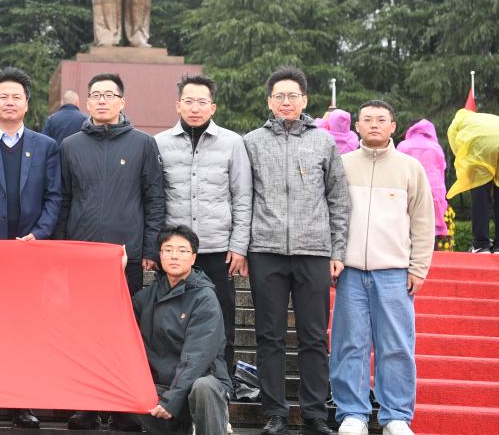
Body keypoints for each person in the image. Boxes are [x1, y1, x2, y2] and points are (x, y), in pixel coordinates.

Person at [242, 65, 350, 435]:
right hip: (265, 250)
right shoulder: (252, 142)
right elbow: (243, 197)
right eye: (279, 96)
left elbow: (338, 200)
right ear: (269, 101)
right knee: (269, 336)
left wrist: (337, 250)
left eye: (292, 96)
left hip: (313, 251)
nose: (285, 102)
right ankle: (274, 413)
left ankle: (315, 414)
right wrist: (242, 248)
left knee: (314, 336)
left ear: (304, 100)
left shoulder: (323, 142)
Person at [55, 72, 166, 431]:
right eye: (96, 95)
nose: (102, 100)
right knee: (83, 331)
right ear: (87, 102)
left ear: (122, 101)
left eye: (109, 95)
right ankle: (87, 403)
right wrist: (60, 247)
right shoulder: (70, 146)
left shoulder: (143, 144)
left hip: (125, 257)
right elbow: (64, 200)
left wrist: (150, 247)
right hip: (81, 257)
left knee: (125, 333)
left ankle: (123, 405)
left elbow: (154, 198)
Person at [0, 67, 62, 429]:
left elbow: (54, 196)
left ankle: (23, 401)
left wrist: (40, 234)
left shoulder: (46, 146)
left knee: (27, 329)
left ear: (27, 104)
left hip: (29, 254)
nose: (9, 102)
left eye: (16, 96)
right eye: (2, 96)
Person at [332, 101, 434, 435]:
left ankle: (396, 416)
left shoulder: (410, 168)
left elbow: (423, 221)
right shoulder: (342, 165)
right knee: (349, 344)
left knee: (396, 345)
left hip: (394, 272)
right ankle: (352, 413)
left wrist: (418, 267)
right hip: (350, 271)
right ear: (357, 127)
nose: (374, 124)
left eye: (381, 119)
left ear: (393, 127)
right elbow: (331, 215)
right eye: (367, 119)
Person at [154, 73, 251, 374]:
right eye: (188, 101)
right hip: (174, 252)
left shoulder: (232, 143)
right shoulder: (159, 144)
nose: (195, 108)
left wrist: (239, 246)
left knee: (221, 318)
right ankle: (172, 382)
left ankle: (222, 382)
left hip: (217, 249)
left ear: (213, 107)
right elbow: (155, 198)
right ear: (178, 105)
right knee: (170, 321)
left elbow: (242, 196)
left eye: (201, 102)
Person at [133, 226, 233, 435]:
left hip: (203, 382)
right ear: (160, 255)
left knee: (203, 387)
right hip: (165, 385)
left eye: (182, 250)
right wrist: (118, 269)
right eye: (168, 250)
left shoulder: (204, 297)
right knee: (134, 391)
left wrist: (172, 399)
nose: (174, 256)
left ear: (193, 258)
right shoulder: (147, 296)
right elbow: (118, 317)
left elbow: (197, 357)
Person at [445, 109, 499, 253]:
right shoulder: (488, 118)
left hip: (481, 147)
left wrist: (467, 165)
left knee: (480, 197)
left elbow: (458, 150)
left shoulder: (457, 122)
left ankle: (481, 245)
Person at [397, 119, 450, 245]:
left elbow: (397, 169)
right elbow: (442, 169)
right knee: (430, 224)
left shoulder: (403, 145)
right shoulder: (436, 147)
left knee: (407, 223)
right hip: (433, 189)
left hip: (408, 186)